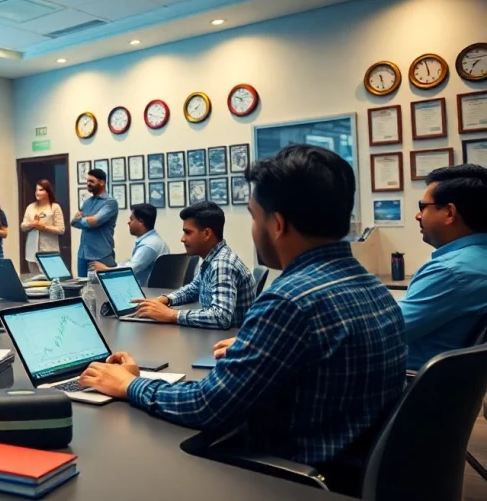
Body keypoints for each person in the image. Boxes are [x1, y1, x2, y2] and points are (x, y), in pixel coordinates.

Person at [80, 144, 406, 493]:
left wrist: (131, 385)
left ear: (277, 224)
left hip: (292, 478)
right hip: (353, 468)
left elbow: (208, 406)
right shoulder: (371, 285)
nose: (252, 228)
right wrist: (261, 343)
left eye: (253, 216)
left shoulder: (290, 301)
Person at [400, 164, 487, 370]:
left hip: (409, 387)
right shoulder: (477, 262)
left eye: (423, 206)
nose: (418, 216)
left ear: (449, 213)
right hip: (453, 391)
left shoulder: (450, 272)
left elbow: (381, 331)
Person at [131, 201, 254, 329]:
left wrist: (171, 314)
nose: (182, 239)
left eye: (188, 232)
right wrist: (164, 300)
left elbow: (221, 317)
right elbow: (193, 289)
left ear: (206, 233)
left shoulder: (222, 264)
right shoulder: (211, 257)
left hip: (225, 341)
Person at [91, 203, 169, 287]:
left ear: (140, 222)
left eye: (131, 219)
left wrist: (105, 270)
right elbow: (132, 265)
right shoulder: (154, 240)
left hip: (146, 292)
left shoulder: (148, 246)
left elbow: (130, 271)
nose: (128, 222)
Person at [71, 169, 119, 277]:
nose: (88, 184)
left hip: (101, 254)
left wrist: (83, 220)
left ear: (101, 182)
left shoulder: (110, 202)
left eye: (91, 181)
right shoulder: (87, 202)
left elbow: (96, 222)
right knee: (83, 289)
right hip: (83, 254)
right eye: (87, 181)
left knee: (101, 290)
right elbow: (74, 222)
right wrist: (87, 220)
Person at [20, 179, 65, 274]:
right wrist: (31, 224)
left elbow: (61, 229)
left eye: (41, 190)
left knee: (52, 280)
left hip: (49, 250)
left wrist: (44, 227)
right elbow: (23, 226)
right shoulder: (30, 207)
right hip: (32, 251)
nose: (37, 193)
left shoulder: (54, 207)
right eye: (36, 190)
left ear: (48, 192)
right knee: (35, 281)